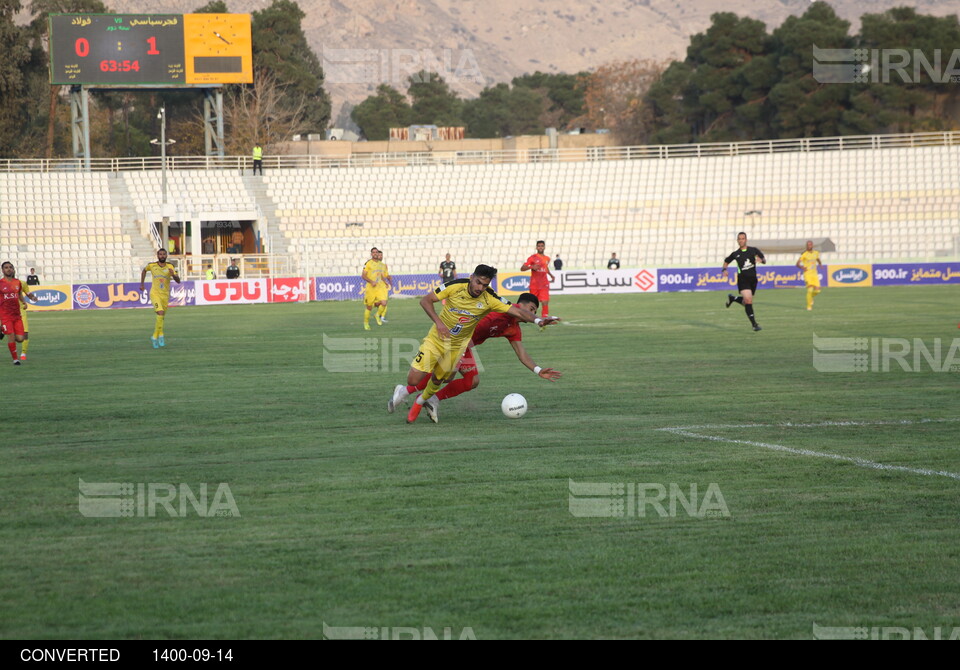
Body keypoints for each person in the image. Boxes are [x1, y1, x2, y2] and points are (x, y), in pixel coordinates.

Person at [393, 265, 559, 424]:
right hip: (449, 339)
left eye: (534, 312)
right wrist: (538, 320)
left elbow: (521, 353)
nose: (530, 313)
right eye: (530, 309)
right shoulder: (498, 309)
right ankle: (409, 391)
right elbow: (427, 301)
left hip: (462, 345)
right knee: (439, 376)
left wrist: (538, 370)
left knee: (468, 381)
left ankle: (427, 398)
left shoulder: (512, 327)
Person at [723, 232, 766, 331]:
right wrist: (724, 269)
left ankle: (733, 298)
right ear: (737, 241)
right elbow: (726, 261)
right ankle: (754, 324)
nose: (741, 240)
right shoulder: (735, 254)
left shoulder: (753, 250)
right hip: (742, 280)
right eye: (739, 239)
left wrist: (761, 260)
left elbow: (763, 260)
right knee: (748, 301)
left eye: (743, 238)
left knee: (746, 302)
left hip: (753, 280)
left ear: (746, 240)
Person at [140, 248, 181, 348]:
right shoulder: (152, 265)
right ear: (157, 256)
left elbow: (178, 281)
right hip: (155, 294)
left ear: (166, 256)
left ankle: (161, 335)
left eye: (164, 254)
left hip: (165, 295)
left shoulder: (170, 266)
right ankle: (154, 337)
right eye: (160, 254)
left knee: (161, 317)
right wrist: (142, 284)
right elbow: (144, 271)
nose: (162, 256)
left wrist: (173, 275)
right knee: (160, 313)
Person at [0, 262, 38, 365]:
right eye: (6, 268)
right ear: (2, 270)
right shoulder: (0, 284)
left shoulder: (18, 283)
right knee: (11, 335)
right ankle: (15, 359)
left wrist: (24, 302)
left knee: (20, 339)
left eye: (10, 267)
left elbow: (20, 294)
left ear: (13, 270)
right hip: (5, 315)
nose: (8, 269)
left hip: (17, 315)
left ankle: (2, 329)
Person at [520, 240, 554, 317]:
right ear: (536, 247)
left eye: (542, 246)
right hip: (534, 284)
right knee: (532, 302)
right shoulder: (532, 258)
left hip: (544, 283)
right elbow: (522, 268)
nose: (540, 247)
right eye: (539, 246)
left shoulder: (547, 258)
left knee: (545, 301)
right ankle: (530, 316)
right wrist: (532, 267)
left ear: (544, 247)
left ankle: (545, 318)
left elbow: (545, 268)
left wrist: (551, 275)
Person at [361, 247, 392, 330]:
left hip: (379, 287)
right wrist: (371, 281)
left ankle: (377, 315)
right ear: (371, 254)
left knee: (384, 302)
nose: (375, 253)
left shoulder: (382, 265)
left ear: (378, 254)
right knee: (369, 307)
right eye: (373, 252)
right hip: (370, 288)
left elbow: (383, 275)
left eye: (376, 252)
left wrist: (387, 278)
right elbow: (363, 275)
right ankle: (366, 323)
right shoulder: (368, 263)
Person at [796, 240, 823, 311]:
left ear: (812, 245)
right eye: (808, 245)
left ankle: (810, 297)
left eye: (810, 244)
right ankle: (809, 306)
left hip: (814, 274)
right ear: (806, 246)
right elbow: (797, 264)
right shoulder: (804, 254)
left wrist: (820, 264)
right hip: (807, 274)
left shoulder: (816, 253)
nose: (809, 246)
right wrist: (802, 267)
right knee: (810, 290)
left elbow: (818, 259)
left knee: (818, 291)